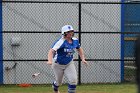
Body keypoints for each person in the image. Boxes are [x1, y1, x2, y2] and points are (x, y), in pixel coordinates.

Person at [47, 25, 88, 93]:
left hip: (69, 63)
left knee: (73, 80)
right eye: (68, 32)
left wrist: (83, 59)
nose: (70, 33)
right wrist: (50, 60)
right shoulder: (60, 42)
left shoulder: (75, 40)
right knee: (59, 82)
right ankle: (55, 87)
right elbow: (51, 51)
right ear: (64, 33)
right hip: (58, 64)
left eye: (71, 31)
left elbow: (79, 49)